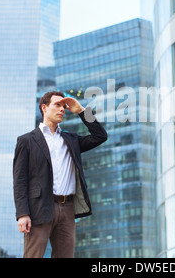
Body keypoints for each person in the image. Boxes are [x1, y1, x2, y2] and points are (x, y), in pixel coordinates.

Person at [13, 91, 107, 258]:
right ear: (44, 108)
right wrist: (22, 213)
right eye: (57, 105)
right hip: (39, 207)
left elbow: (100, 136)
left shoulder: (71, 140)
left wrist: (81, 111)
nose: (62, 109)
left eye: (64, 107)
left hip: (67, 209)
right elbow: (20, 180)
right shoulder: (26, 140)